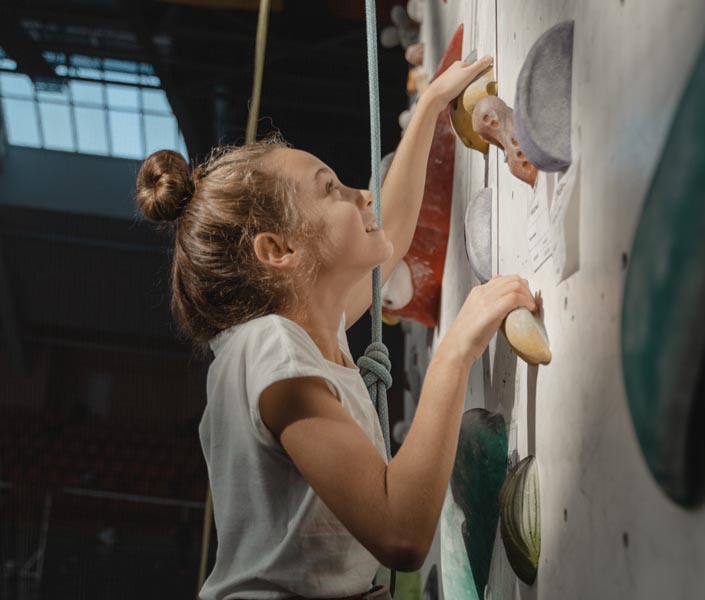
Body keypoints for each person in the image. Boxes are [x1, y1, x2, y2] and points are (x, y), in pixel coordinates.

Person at [135, 54, 539, 600]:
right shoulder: (268, 348)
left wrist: (430, 108)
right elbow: (400, 532)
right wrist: (455, 350)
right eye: (332, 189)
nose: (360, 194)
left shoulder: (302, 326)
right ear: (279, 249)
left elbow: (389, 228)